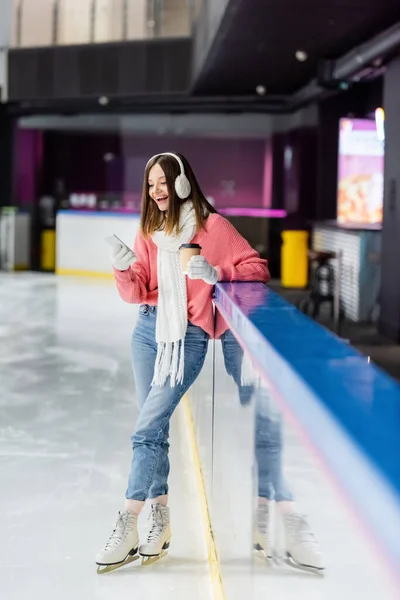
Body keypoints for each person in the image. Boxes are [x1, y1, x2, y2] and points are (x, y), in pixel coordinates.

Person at [95, 152, 270, 573]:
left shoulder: (214, 228)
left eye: (163, 183)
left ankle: (129, 520)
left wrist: (216, 274)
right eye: (150, 184)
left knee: (146, 427)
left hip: (188, 338)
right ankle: (159, 513)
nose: (156, 191)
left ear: (183, 185)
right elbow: (138, 291)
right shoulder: (149, 230)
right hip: (148, 332)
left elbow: (257, 268)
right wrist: (123, 269)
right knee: (151, 426)